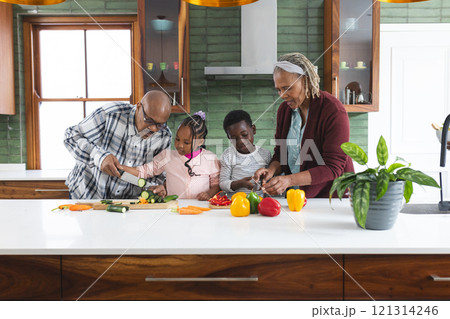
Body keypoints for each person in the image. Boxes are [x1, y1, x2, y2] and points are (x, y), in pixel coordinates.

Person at [253, 52, 354, 198]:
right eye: (278, 89)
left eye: (287, 88)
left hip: (330, 198)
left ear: (305, 81)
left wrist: (288, 180)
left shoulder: (333, 110)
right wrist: (272, 170)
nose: (282, 95)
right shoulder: (284, 111)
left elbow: (333, 168)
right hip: (297, 196)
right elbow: (281, 154)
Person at [64, 90, 172, 199]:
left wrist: (153, 188)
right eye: (148, 120)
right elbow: (71, 136)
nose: (153, 129)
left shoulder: (164, 136)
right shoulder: (111, 114)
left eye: (160, 125)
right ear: (138, 107)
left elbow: (157, 175)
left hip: (126, 205)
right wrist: (100, 157)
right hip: (87, 195)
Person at [119, 112, 221, 200]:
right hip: (174, 207)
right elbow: (144, 171)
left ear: (200, 142)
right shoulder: (167, 157)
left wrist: (208, 194)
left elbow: (216, 185)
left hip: (201, 207)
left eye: (186, 142)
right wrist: (120, 167)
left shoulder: (210, 158)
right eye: (177, 139)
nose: (180, 145)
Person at [219, 110, 271, 195]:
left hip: (259, 203)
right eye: (234, 138)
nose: (240, 141)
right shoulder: (228, 155)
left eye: (244, 135)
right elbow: (222, 183)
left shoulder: (265, 154)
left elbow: (269, 178)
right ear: (229, 137)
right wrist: (239, 184)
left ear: (253, 129)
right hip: (234, 203)